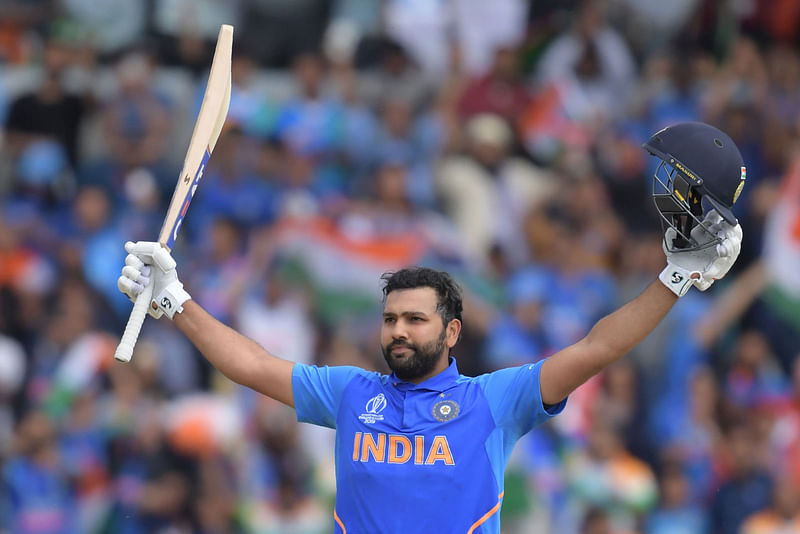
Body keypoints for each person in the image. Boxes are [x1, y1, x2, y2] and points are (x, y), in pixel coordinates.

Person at [116, 122, 745, 533]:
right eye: (391, 319)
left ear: (451, 333)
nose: (398, 331)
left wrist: (674, 279)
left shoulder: (495, 401)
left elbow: (598, 346)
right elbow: (250, 365)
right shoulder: (352, 394)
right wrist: (175, 301)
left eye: (415, 320)